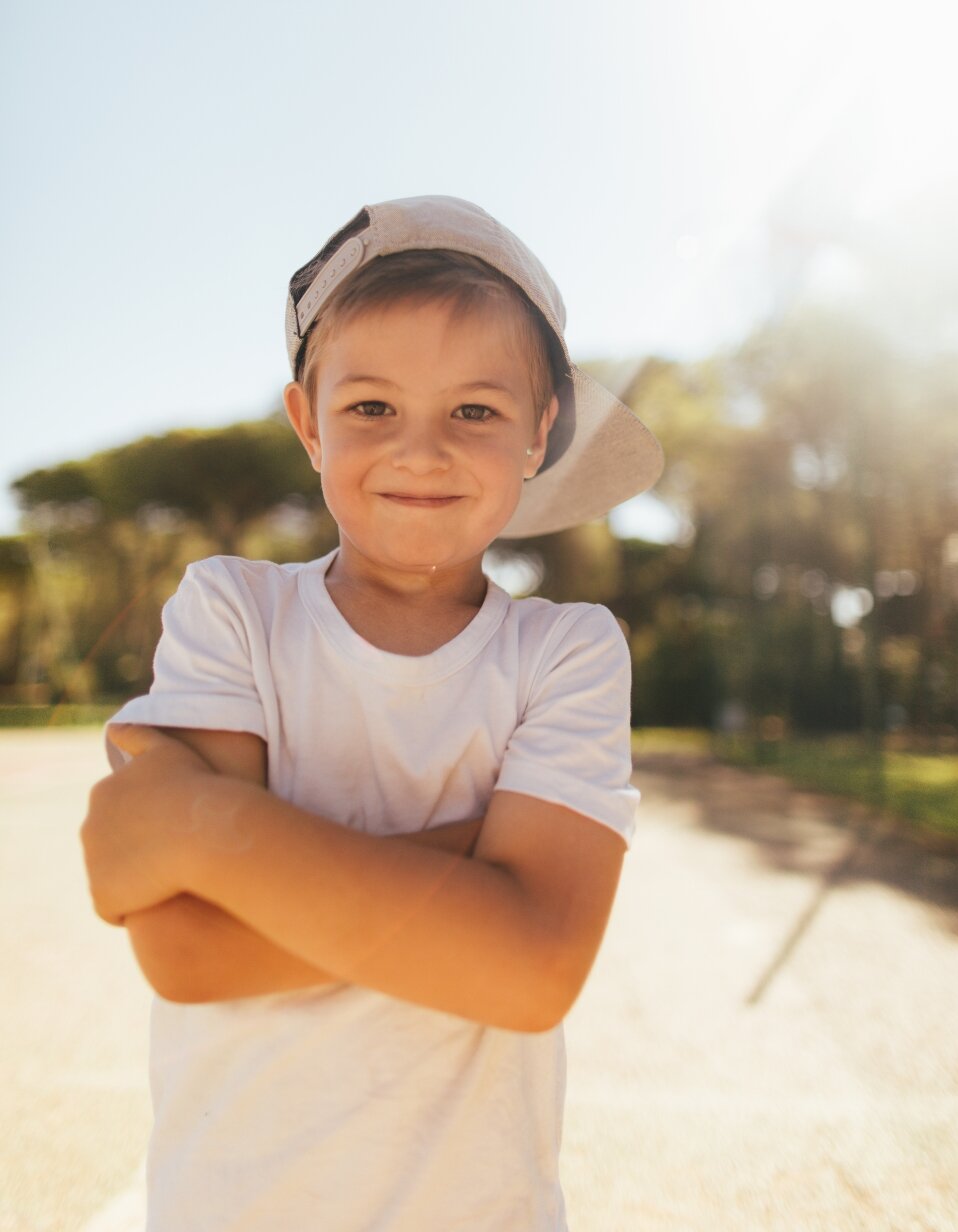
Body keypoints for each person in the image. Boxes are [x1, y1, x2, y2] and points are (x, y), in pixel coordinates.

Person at [81, 194, 664, 1232]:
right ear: (310, 422)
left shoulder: (567, 653)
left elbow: (531, 971)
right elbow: (188, 956)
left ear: (541, 432)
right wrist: (478, 875)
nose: (421, 452)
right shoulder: (233, 612)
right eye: (371, 409)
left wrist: (197, 825)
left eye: (475, 412)